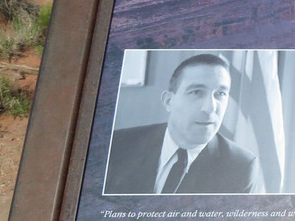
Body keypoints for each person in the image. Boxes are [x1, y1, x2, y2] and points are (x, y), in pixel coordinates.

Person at [104, 52, 266, 195]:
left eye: (220, 94)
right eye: (197, 92)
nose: (210, 108)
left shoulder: (241, 167)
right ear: (168, 101)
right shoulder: (118, 145)